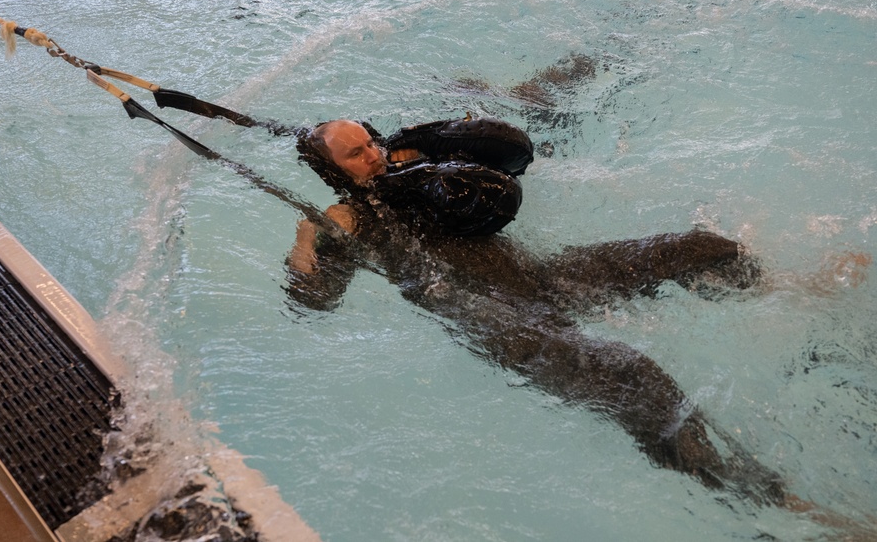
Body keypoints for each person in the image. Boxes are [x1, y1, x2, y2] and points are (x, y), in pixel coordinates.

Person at [287, 118, 790, 505]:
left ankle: (794, 293)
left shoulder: (422, 175)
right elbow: (314, 302)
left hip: (544, 281)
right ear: (333, 171)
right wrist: (306, 240)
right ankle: (776, 500)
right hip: (501, 321)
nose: (374, 157)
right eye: (356, 154)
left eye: (371, 143)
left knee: (702, 248)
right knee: (633, 378)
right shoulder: (346, 220)